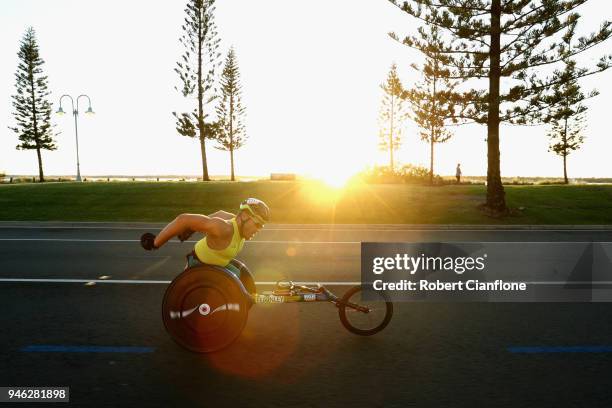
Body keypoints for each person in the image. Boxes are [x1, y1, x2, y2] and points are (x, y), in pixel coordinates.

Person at [140, 198, 270, 277]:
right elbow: (183, 219)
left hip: (218, 266)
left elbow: (219, 213)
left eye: (261, 226)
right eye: (257, 224)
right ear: (244, 216)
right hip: (199, 266)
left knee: (244, 281)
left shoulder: (233, 220)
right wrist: (155, 243)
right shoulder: (223, 228)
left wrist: (194, 228)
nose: (258, 230)